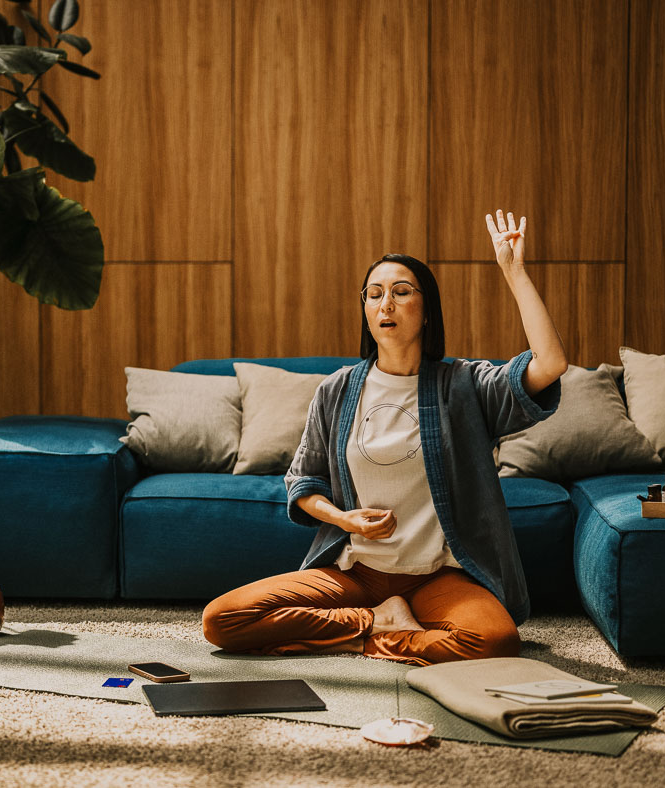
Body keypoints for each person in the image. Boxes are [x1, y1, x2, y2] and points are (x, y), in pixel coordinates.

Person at [202, 210, 568, 666]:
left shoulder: (465, 385)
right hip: (360, 575)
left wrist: (514, 271)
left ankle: (371, 632)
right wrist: (344, 520)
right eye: (373, 295)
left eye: (400, 292)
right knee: (224, 619)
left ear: (427, 309)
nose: (385, 305)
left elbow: (550, 364)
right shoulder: (336, 390)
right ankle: (378, 620)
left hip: (438, 576)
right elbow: (303, 482)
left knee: (496, 642)